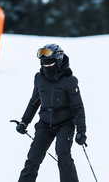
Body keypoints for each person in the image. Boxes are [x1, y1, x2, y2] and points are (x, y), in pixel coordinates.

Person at [15, 44, 87, 182]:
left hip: (65, 124)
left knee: (63, 154)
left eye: (50, 63)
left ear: (59, 61)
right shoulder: (39, 78)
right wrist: (24, 121)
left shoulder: (69, 81)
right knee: (33, 157)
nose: (46, 66)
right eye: (43, 64)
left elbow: (78, 107)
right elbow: (34, 102)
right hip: (44, 124)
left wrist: (81, 131)